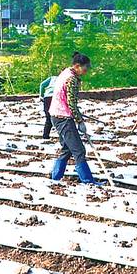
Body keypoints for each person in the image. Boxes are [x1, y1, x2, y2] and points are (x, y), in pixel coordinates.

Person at [48, 52, 102, 184]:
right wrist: (80, 121)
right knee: (79, 150)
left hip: (56, 114)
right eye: (85, 68)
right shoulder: (71, 79)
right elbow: (72, 103)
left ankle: (55, 177)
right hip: (62, 117)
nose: (86, 71)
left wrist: (76, 114)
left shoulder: (66, 72)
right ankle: (88, 180)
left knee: (67, 149)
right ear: (77, 66)